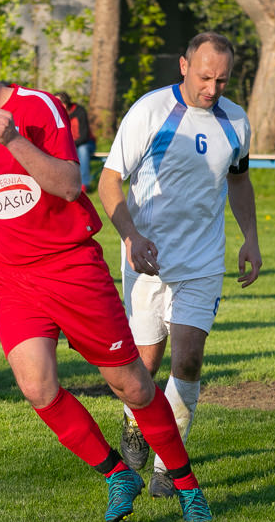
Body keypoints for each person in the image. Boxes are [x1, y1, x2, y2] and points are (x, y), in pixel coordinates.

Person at [0, 23, 213, 522]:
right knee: (37, 387)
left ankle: (187, 487)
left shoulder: (38, 108)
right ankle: (119, 475)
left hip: (70, 267)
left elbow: (71, 184)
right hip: (13, 277)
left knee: (133, 387)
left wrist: (14, 141)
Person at [98, 32, 262, 498]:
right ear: (184, 65)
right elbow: (109, 182)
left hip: (203, 261)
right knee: (143, 367)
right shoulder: (150, 111)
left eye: (222, 79)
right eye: (205, 76)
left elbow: (240, 179)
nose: (212, 88)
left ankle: (170, 465)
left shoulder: (236, 121)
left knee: (188, 360)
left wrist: (251, 238)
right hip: (146, 259)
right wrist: (130, 235)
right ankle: (135, 425)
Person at [55, 91, 95, 192]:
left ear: (65, 103)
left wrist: (70, 145)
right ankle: (63, 183)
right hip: (69, 144)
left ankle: (84, 184)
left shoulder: (80, 111)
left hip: (86, 142)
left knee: (83, 150)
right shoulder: (55, 114)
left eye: (59, 103)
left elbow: (84, 136)